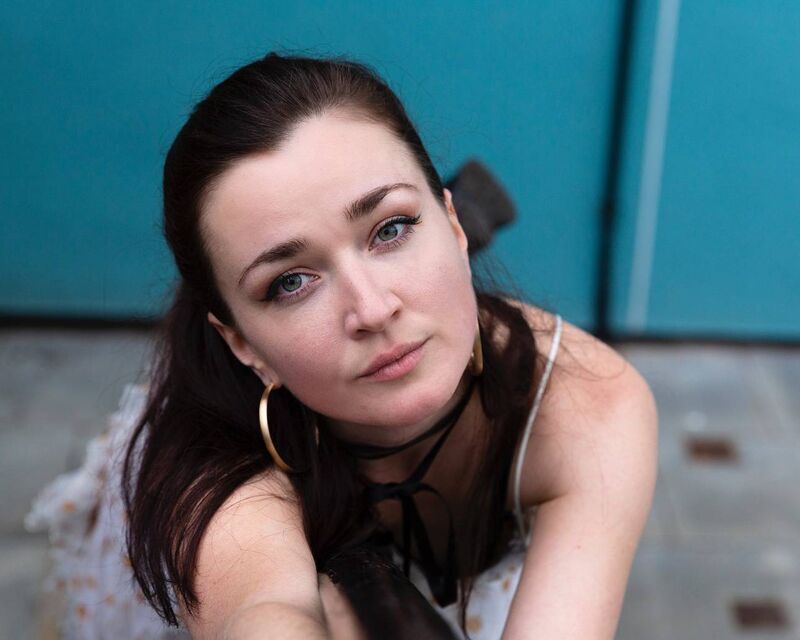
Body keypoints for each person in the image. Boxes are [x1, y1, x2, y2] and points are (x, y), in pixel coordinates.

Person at [29, 52, 658, 639]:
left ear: (453, 224)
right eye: (290, 282)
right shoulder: (212, 459)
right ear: (243, 343)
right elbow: (264, 607)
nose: (373, 310)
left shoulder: (588, 402)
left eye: (392, 228)